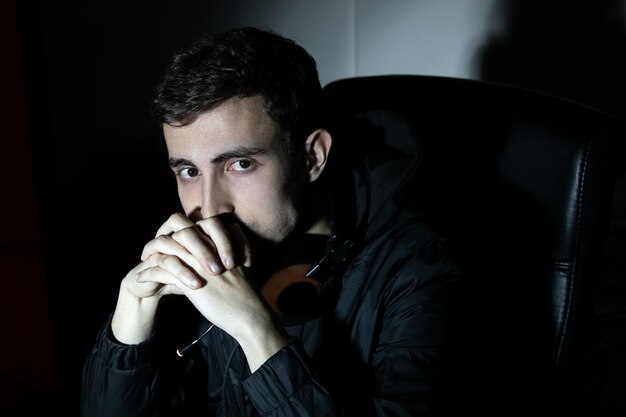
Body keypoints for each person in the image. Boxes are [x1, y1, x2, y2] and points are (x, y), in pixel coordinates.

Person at [80, 26, 467, 417]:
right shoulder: (192, 249)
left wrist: (255, 329)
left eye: (241, 164)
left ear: (312, 157)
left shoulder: (423, 266)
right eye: (187, 171)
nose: (209, 208)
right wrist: (130, 326)